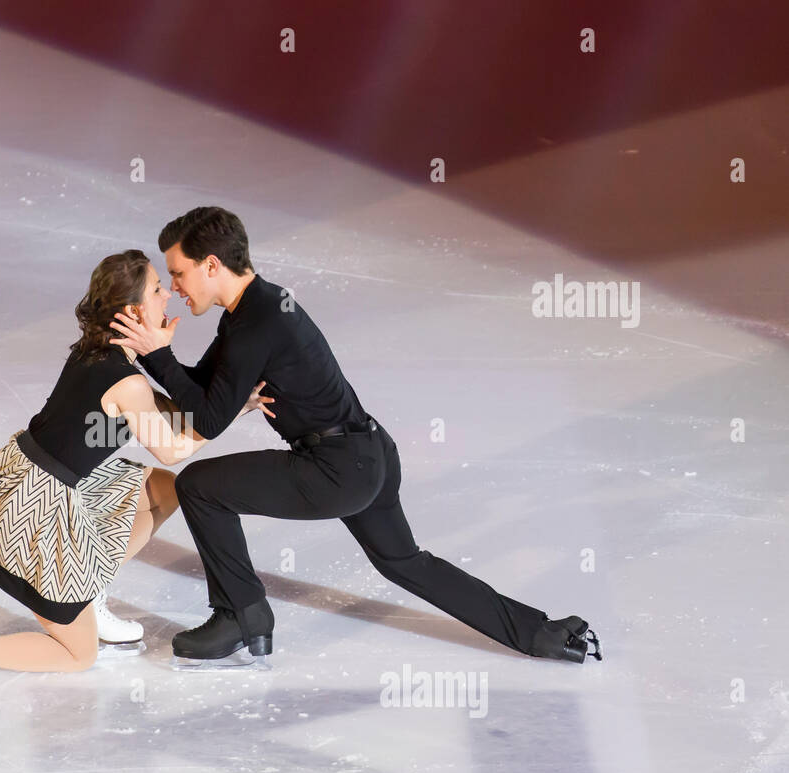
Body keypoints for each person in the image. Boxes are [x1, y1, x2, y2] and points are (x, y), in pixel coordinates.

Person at [108, 207, 601, 666]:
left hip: (335, 469)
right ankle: (543, 634)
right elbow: (208, 392)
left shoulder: (256, 323)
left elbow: (209, 419)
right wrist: (158, 355)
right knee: (405, 562)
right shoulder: (254, 311)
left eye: (178, 272)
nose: (173, 286)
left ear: (211, 265)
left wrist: (158, 357)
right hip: (369, 454)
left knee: (198, 485)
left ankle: (243, 614)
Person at [0, 249, 274, 684]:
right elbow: (171, 448)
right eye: (157, 289)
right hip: (34, 509)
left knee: (165, 489)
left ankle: (88, 595)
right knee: (77, 655)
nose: (168, 295)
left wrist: (231, 407)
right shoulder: (128, 381)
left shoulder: (100, 351)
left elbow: (171, 413)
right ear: (135, 310)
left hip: (29, 479)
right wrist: (221, 412)